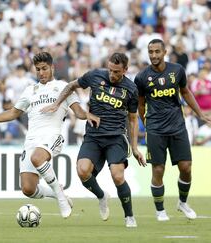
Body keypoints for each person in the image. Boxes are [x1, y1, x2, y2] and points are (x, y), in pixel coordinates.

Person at [0, 52, 99, 219]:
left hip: (52, 135)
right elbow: (12, 113)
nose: (41, 72)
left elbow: (78, 111)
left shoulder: (63, 87)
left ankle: (60, 195)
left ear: (52, 68)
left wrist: (87, 115)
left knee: (38, 158)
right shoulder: (30, 90)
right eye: (38, 69)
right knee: (28, 189)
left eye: (44, 68)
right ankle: (56, 194)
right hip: (31, 140)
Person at [41, 53, 146, 227]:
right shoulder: (95, 75)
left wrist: (134, 148)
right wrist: (56, 104)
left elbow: (133, 119)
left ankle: (129, 216)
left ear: (125, 70)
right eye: (110, 70)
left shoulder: (131, 89)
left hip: (116, 137)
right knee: (82, 171)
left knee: (117, 176)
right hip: (94, 136)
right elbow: (71, 86)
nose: (112, 74)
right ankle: (102, 196)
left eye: (117, 72)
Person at [134, 39, 211, 221]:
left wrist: (200, 114)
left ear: (165, 52)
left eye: (157, 51)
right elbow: (141, 103)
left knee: (186, 168)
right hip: (156, 128)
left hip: (178, 126)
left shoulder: (177, 70)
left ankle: (182, 202)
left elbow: (185, 92)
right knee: (158, 169)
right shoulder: (141, 77)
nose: (154, 55)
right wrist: (146, 123)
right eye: (151, 52)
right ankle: (160, 210)